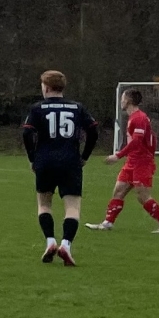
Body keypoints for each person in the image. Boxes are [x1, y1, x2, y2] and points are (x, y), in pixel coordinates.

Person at [22, 70, 99, 266]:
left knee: (44, 205)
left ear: (47, 87)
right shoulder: (77, 107)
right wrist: (84, 156)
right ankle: (66, 244)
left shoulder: (37, 108)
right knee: (72, 207)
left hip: (45, 161)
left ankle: (50, 241)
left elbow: (27, 133)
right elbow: (93, 131)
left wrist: (32, 158)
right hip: (70, 161)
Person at [87, 89, 159, 233]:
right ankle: (107, 223)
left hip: (142, 162)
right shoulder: (134, 117)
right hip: (132, 161)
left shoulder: (139, 118)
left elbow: (137, 142)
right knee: (118, 191)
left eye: (123, 98)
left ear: (128, 101)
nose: (121, 101)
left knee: (142, 196)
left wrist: (118, 155)